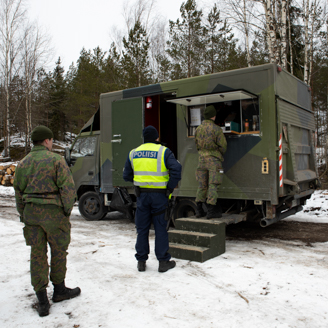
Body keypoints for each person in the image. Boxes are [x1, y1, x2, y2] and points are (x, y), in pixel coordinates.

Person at [13, 126, 81, 317]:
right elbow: (68, 189)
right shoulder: (56, 160)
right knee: (59, 251)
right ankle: (59, 291)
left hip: (31, 214)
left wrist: (23, 213)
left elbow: (17, 192)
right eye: (51, 140)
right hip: (54, 214)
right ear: (46, 141)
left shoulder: (23, 163)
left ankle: (42, 299)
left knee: (37, 254)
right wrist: (66, 210)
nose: (51, 143)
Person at [123, 125, 182, 273]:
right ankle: (163, 262)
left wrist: (138, 183)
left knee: (142, 228)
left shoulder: (133, 153)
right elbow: (177, 169)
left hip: (142, 196)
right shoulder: (163, 151)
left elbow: (126, 175)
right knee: (160, 228)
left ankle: (141, 262)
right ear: (157, 137)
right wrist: (169, 187)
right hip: (160, 196)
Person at [195, 105, 227, 219]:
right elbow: (223, 146)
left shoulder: (198, 129)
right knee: (213, 185)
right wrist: (218, 153)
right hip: (214, 160)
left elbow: (197, 145)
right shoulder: (216, 129)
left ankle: (199, 210)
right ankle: (211, 211)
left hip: (201, 160)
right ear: (213, 116)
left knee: (202, 185)